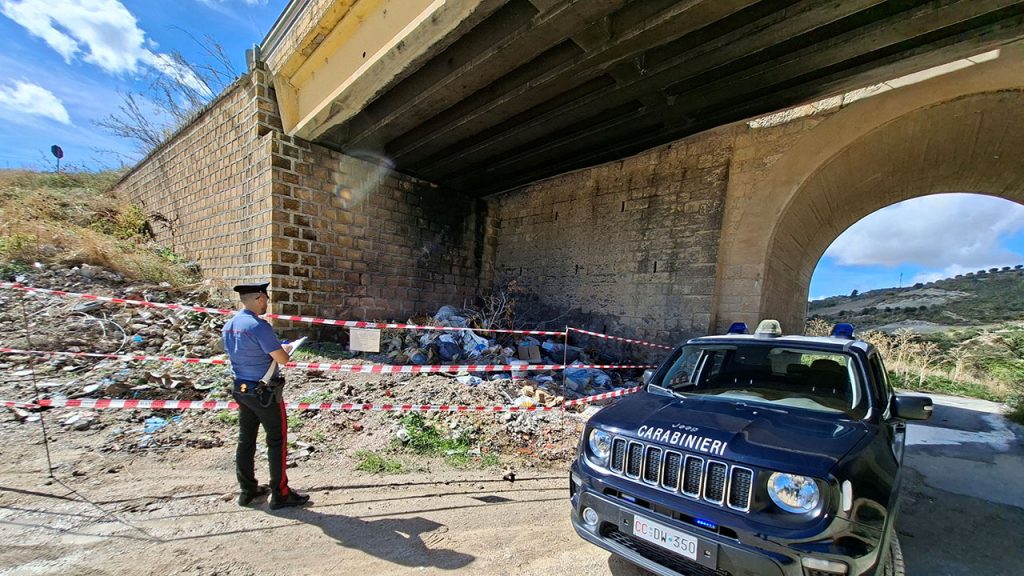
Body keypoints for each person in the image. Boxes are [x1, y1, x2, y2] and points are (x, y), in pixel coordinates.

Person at [222, 282, 309, 509]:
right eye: (266, 300)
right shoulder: (258, 326)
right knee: (277, 440)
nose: (266, 305)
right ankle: (280, 493)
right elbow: (282, 359)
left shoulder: (230, 325)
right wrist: (287, 349)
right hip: (265, 393)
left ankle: (248, 491)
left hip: (241, 389)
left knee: (246, 440)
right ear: (259, 298)